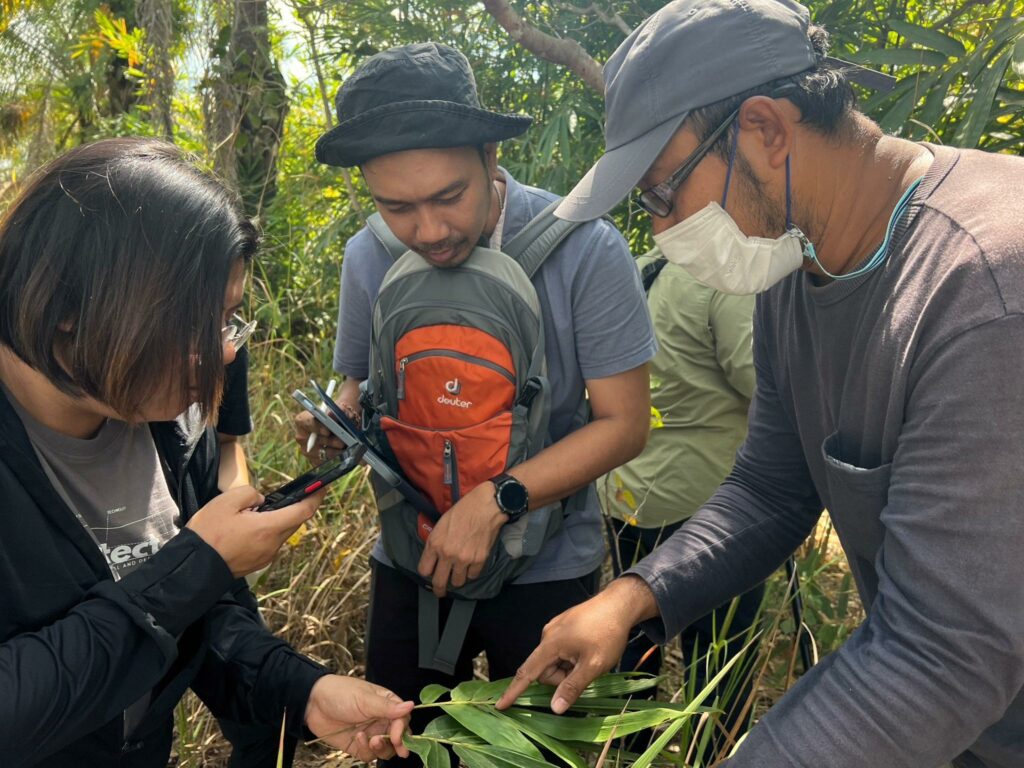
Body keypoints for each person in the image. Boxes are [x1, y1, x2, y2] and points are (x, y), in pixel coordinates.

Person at [497, 2, 1024, 767]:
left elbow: (943, 652)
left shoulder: (983, 292)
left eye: (659, 192)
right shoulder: (794, 264)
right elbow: (772, 487)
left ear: (767, 129)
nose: (659, 228)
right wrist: (634, 596)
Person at [0, 137, 413, 767]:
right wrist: (196, 565)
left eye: (229, 320)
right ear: (69, 310)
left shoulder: (165, 423)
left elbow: (204, 618)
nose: (225, 351)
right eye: (196, 323)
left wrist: (300, 692)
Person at [296, 42, 656, 765]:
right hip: (412, 561)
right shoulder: (369, 257)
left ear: (492, 156)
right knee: (408, 749)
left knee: (544, 752)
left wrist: (496, 502)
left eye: (447, 196)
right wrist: (334, 426)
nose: (427, 231)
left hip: (548, 565)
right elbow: (359, 384)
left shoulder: (584, 247)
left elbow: (625, 424)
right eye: (396, 206)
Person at [599, 248, 762, 742]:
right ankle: (712, 754)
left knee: (634, 643)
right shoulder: (724, 278)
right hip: (708, 505)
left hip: (626, 493)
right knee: (720, 660)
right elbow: (764, 383)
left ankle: (626, 751)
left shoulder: (640, 265)